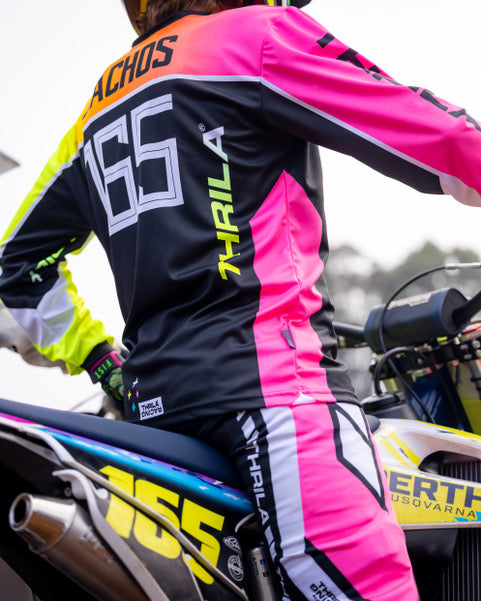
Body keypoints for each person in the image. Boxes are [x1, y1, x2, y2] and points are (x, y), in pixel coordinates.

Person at [4, 0, 481, 598]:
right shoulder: (255, 37)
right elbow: (444, 135)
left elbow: (16, 268)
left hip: (158, 408)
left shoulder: (98, 105)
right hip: (276, 391)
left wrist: (101, 361)